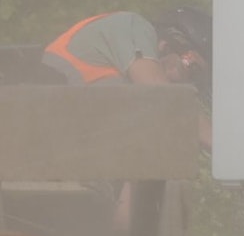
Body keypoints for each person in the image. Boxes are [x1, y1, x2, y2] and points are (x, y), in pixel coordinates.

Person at [42, 8, 213, 152]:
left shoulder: (129, 73)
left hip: (65, 139)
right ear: (170, 43)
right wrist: (218, 145)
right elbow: (161, 94)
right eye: (193, 69)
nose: (190, 83)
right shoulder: (135, 26)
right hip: (51, 129)